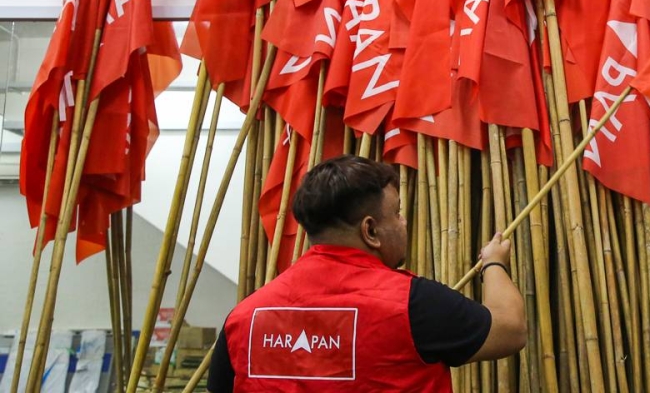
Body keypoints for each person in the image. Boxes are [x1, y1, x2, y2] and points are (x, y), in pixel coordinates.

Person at [207, 155, 527, 391]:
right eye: (397, 212)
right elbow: (510, 329)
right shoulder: (413, 304)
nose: (403, 222)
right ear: (370, 230)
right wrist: (494, 263)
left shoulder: (246, 317)